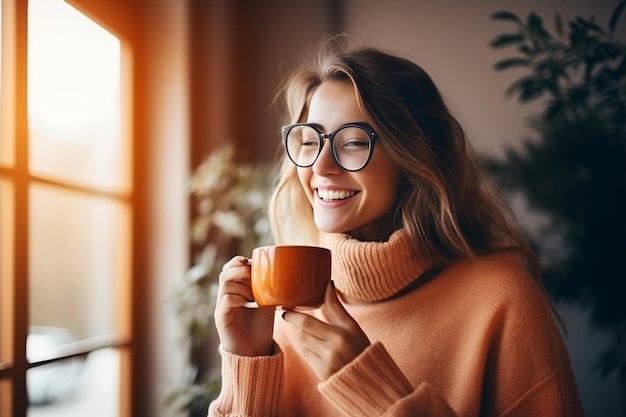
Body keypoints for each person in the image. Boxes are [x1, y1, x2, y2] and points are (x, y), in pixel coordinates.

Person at [209, 35, 584, 417]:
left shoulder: (502, 299)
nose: (320, 166)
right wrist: (248, 364)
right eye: (309, 140)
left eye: (353, 142)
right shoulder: (285, 308)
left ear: (412, 157)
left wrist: (376, 393)